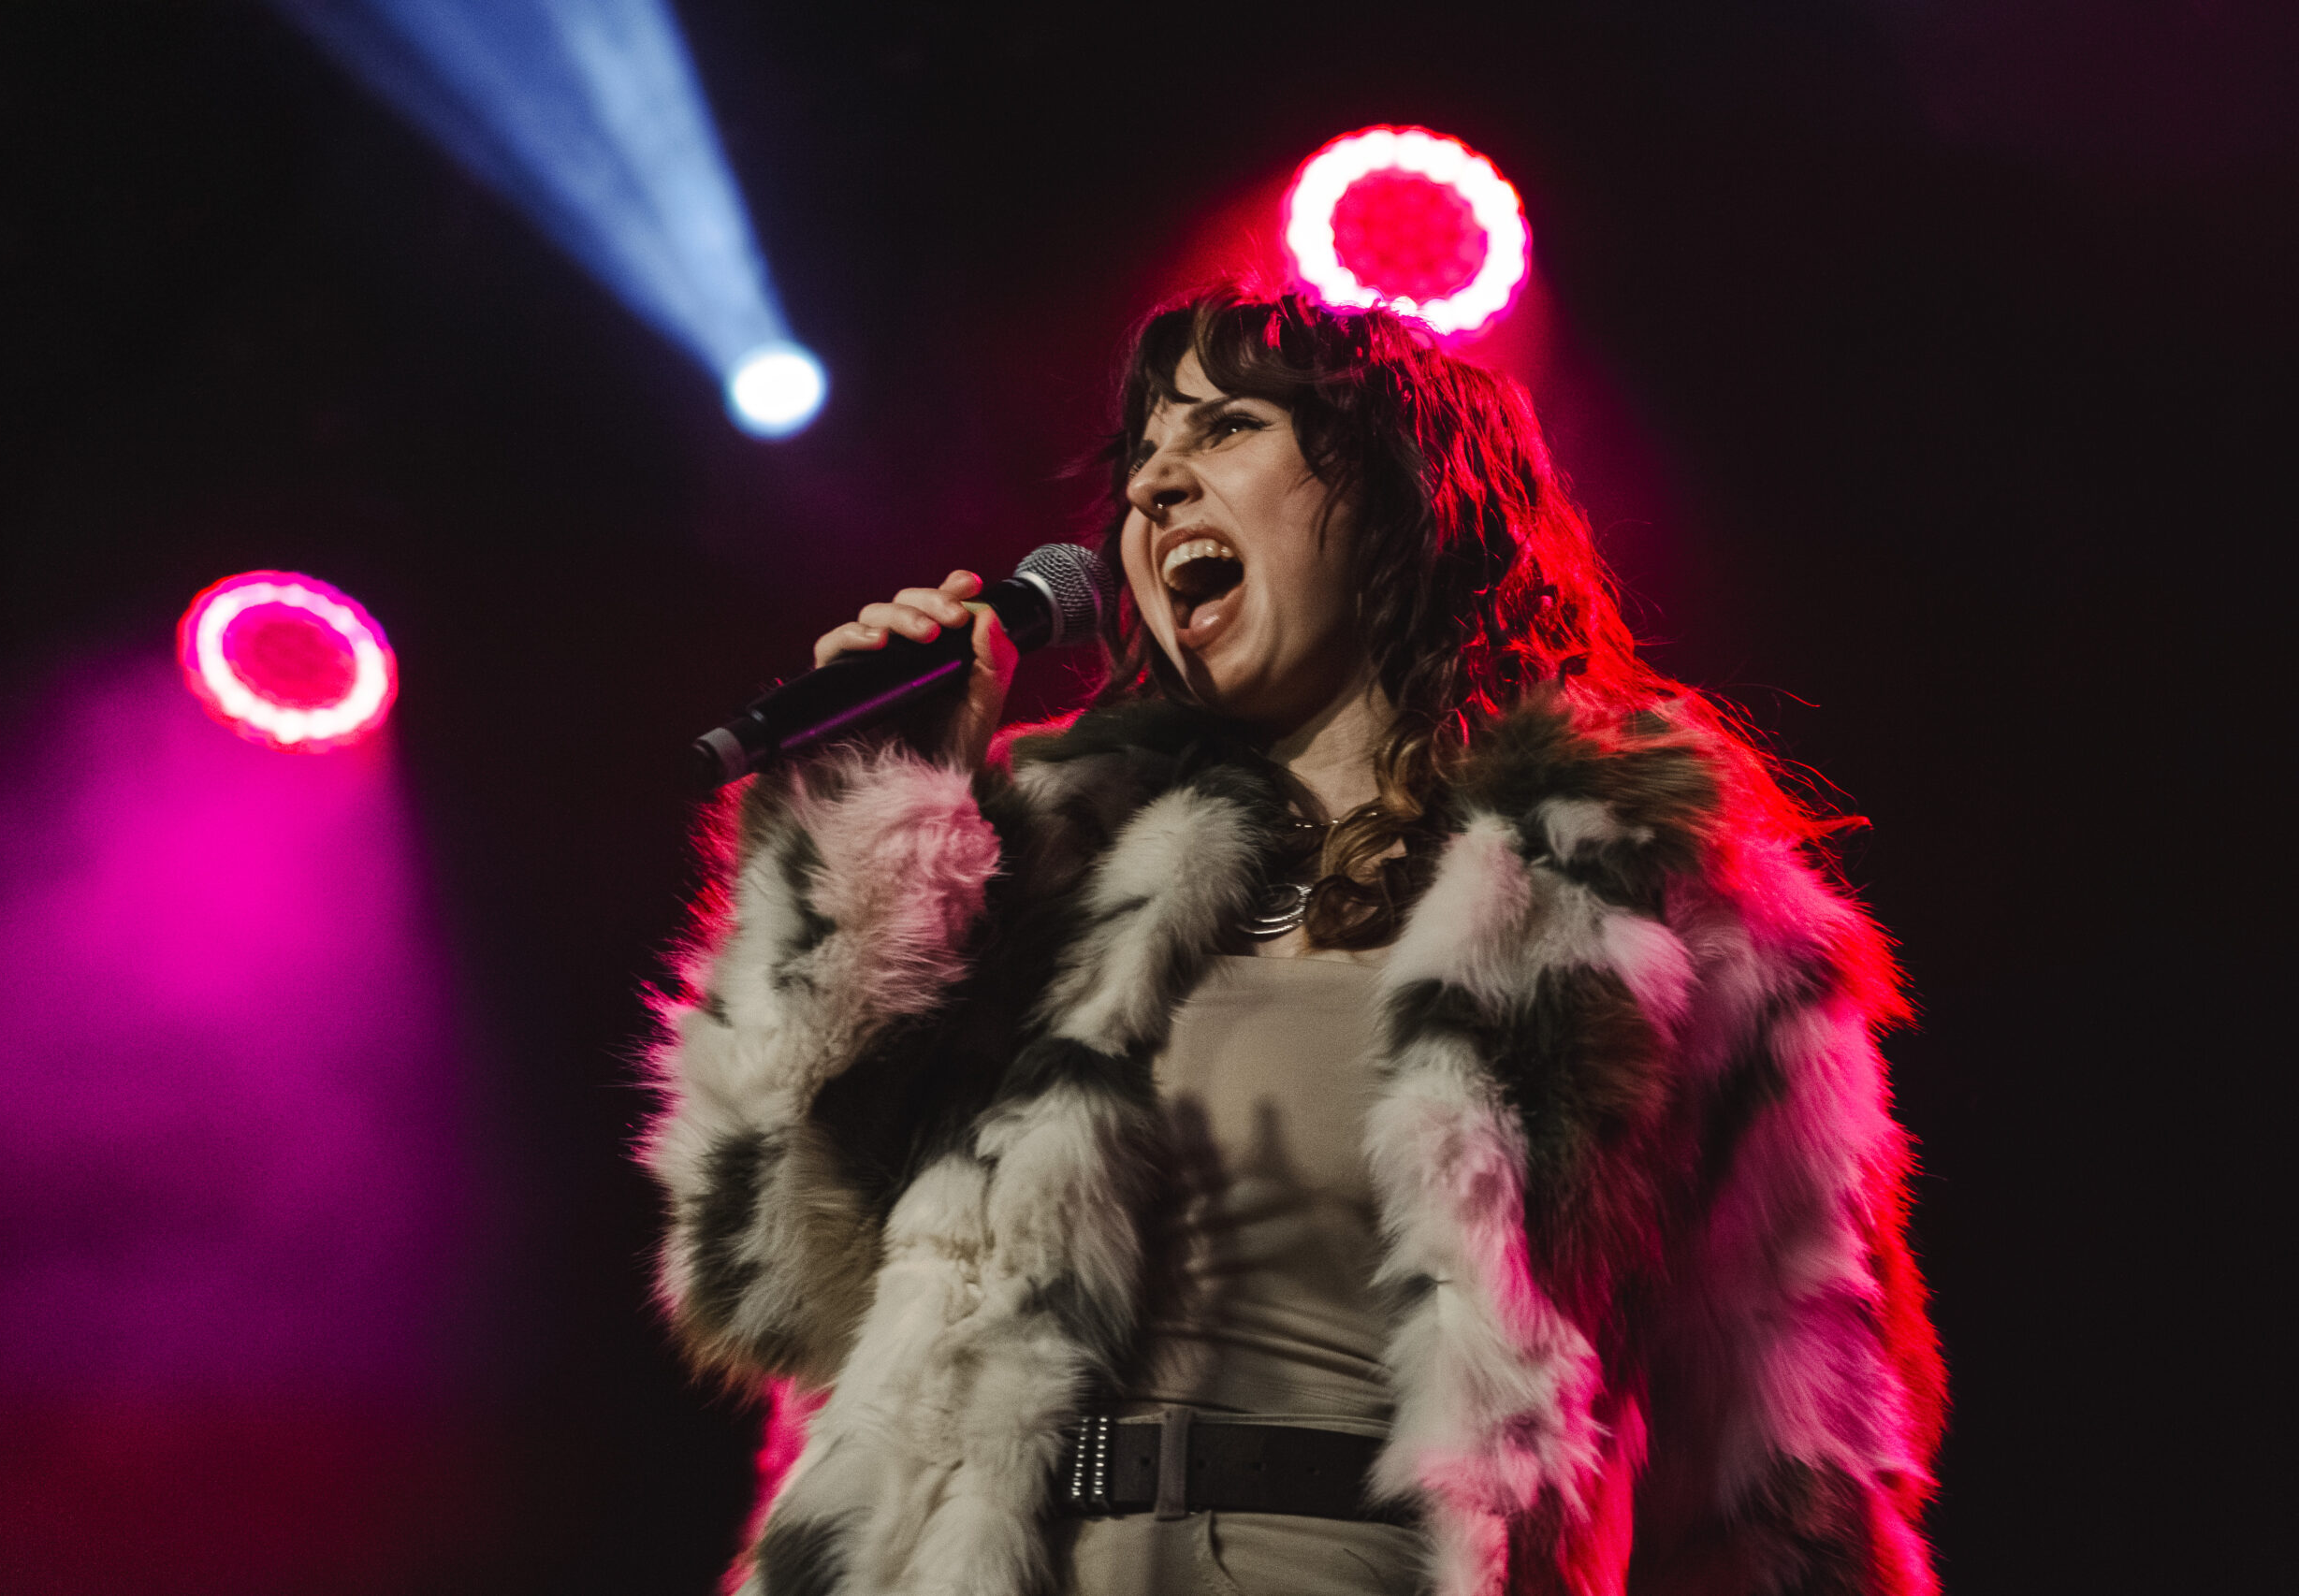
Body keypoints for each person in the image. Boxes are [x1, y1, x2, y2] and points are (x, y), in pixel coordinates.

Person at [642, 289, 1944, 1596]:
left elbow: (1791, 1459)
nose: (1152, 484)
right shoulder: (1035, 863)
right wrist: (867, 842)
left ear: (1402, 493)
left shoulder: (1647, 913)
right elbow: (767, 1286)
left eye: (1225, 428)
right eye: (1145, 451)